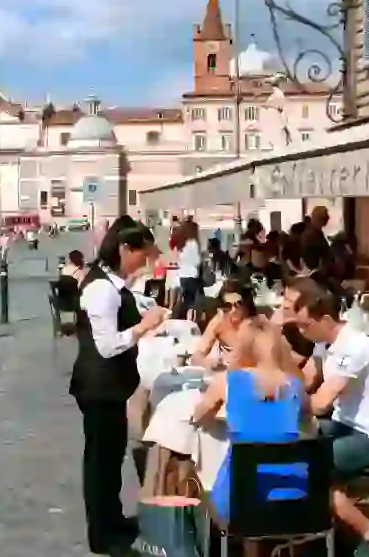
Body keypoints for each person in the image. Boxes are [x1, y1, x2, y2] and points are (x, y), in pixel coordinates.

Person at [72, 221, 167, 555]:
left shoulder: (114, 284)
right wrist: (144, 326)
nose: (144, 261)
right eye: (142, 253)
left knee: (111, 458)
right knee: (100, 461)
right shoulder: (100, 289)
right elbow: (108, 346)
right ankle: (102, 533)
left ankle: (111, 520)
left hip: (111, 387)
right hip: (99, 386)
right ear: (125, 250)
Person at [291, 279, 369, 555]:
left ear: (325, 319)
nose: (302, 332)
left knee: (308, 465)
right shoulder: (324, 342)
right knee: (292, 446)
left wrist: (282, 403)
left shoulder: (354, 346)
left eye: (305, 325)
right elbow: (304, 380)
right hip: (344, 425)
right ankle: (328, 525)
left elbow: (321, 402)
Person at [193, 322, 308, 533]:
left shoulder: (227, 381)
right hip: (296, 494)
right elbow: (306, 421)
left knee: (204, 475)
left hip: (241, 497)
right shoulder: (295, 386)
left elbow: (199, 416)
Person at [189, 280, 257, 369]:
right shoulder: (220, 321)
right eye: (228, 306)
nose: (233, 310)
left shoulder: (259, 323)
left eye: (238, 304)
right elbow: (196, 357)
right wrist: (207, 363)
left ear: (247, 304)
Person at [170, 220, 203, 319]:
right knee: (191, 301)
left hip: (182, 275)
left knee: (185, 299)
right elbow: (196, 261)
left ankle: (179, 317)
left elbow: (179, 258)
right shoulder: (193, 243)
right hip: (192, 275)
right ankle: (181, 317)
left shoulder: (183, 244)